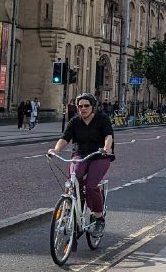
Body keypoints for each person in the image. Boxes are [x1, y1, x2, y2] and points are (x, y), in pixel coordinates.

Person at [48, 94, 115, 233]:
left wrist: (107, 148)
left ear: (93, 107)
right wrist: (56, 150)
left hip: (99, 156)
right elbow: (65, 138)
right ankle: (71, 208)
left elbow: (109, 136)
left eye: (86, 106)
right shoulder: (75, 121)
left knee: (90, 186)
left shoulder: (102, 119)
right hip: (80, 155)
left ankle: (98, 218)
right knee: (73, 179)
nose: (83, 109)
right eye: (80, 106)